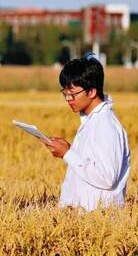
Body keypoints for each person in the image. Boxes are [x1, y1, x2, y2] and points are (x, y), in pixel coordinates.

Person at [43, 55, 130, 211]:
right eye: (65, 93)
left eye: (73, 94)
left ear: (91, 92)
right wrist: (67, 149)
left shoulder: (105, 125)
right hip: (83, 217)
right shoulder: (91, 120)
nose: (68, 99)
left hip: (98, 219)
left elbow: (107, 178)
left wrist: (68, 153)